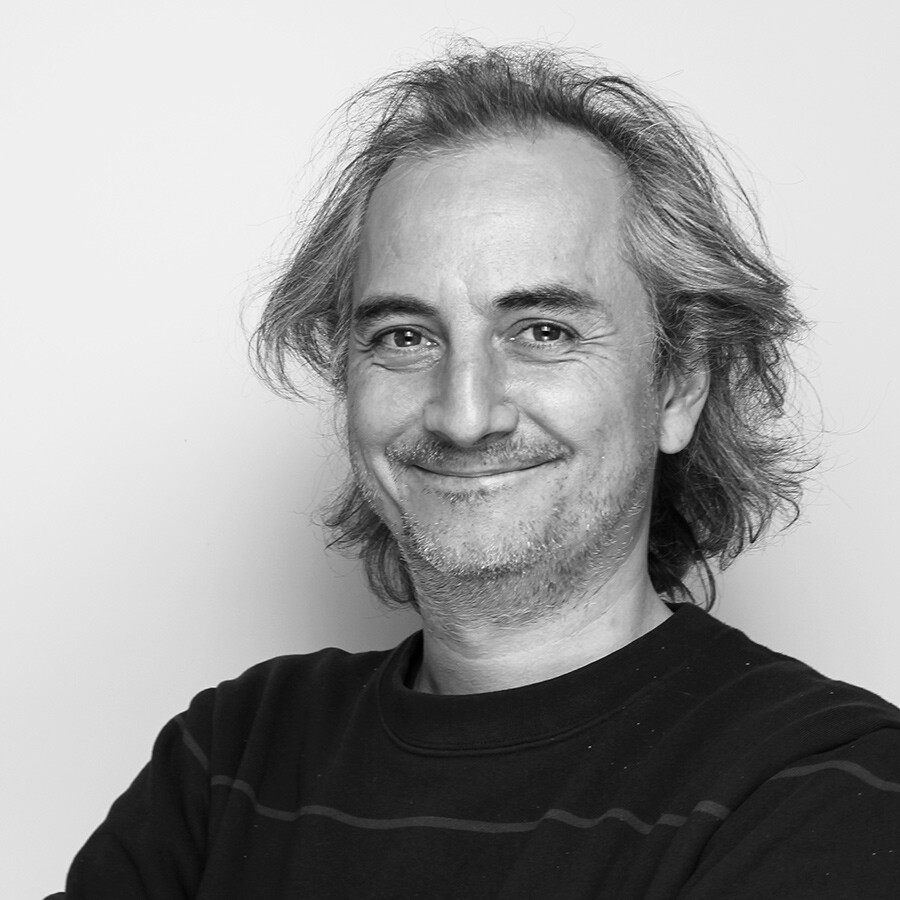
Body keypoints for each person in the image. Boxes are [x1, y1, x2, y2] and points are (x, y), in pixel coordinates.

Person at [52, 43, 900, 898]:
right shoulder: (233, 755)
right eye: (404, 337)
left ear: (678, 385)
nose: (463, 415)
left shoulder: (823, 784)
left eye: (544, 332)